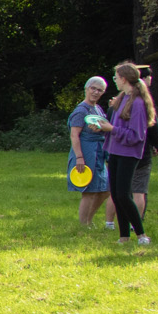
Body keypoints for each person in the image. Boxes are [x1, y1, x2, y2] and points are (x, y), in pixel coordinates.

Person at [105, 61, 154, 245]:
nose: (115, 81)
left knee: (125, 195)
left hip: (128, 153)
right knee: (117, 195)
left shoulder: (138, 103)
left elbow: (136, 135)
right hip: (115, 151)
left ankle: (141, 234)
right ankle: (124, 236)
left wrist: (111, 129)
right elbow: (115, 127)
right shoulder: (122, 98)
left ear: (124, 79)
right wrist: (103, 128)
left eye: (116, 78)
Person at [68, 76, 112, 226]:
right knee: (89, 191)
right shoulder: (81, 110)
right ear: (86, 89)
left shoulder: (98, 109)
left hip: (99, 152)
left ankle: (89, 219)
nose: (95, 92)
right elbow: (74, 135)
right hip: (86, 152)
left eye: (99, 90)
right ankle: (83, 225)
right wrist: (79, 157)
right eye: (93, 88)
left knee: (105, 190)